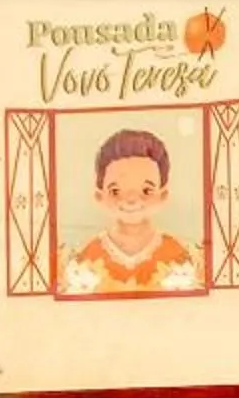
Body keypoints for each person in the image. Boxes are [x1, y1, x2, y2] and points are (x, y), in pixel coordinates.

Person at [58, 126, 202, 294]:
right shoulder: (83, 259)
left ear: (163, 195)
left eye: (146, 191)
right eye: (115, 191)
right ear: (100, 196)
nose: (132, 200)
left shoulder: (184, 257)